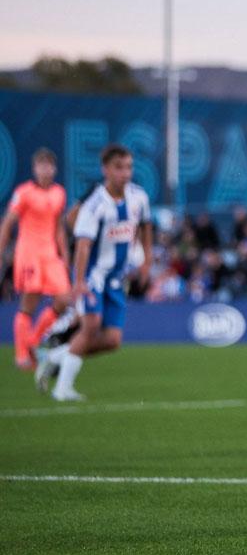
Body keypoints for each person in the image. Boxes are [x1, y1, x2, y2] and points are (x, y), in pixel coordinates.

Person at [36, 144, 152, 401]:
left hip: (116, 279)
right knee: (91, 327)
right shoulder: (95, 204)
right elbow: (84, 245)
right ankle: (62, 390)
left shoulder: (139, 197)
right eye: (119, 167)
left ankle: (55, 357)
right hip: (93, 277)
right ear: (106, 170)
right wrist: (78, 282)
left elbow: (146, 228)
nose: (125, 173)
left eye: (129, 167)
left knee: (112, 340)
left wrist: (146, 262)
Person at [0, 148, 71, 370]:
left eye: (49, 165)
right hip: (28, 253)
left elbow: (59, 226)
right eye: (41, 165)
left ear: (55, 169)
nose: (45, 169)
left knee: (65, 299)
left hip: (50, 254)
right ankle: (22, 355)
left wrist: (65, 254)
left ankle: (32, 342)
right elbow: (8, 223)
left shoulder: (59, 193)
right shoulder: (24, 193)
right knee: (29, 302)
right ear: (34, 169)